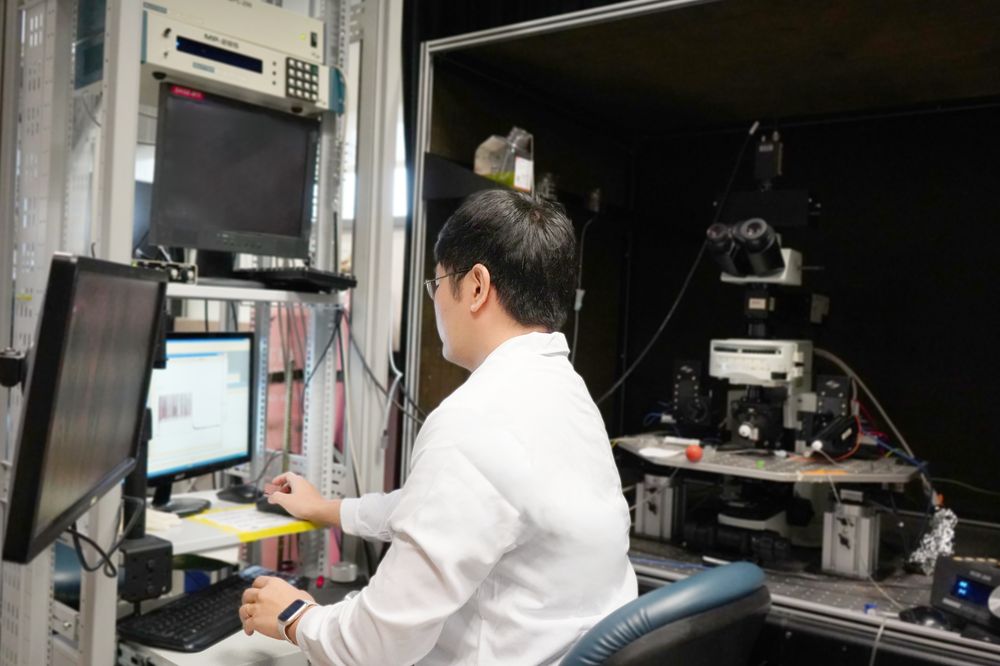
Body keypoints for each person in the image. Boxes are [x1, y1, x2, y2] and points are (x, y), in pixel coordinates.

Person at [238, 189, 636, 664]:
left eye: (438, 283)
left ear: (476, 287)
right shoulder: (563, 391)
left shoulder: (474, 420)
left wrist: (296, 616)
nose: (436, 300)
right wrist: (329, 510)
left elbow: (376, 645)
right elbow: (450, 508)